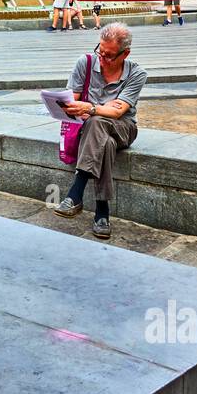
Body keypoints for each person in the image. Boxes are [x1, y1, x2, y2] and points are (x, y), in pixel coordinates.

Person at [52, 22, 147, 240]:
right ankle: (102, 211)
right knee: (105, 142)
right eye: (100, 51)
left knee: (97, 121)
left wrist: (91, 108)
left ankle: (76, 191)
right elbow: (72, 100)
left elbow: (118, 111)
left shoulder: (137, 74)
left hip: (124, 128)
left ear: (125, 54)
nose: (102, 58)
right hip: (91, 131)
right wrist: (71, 106)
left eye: (109, 55)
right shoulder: (85, 63)